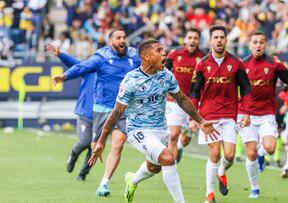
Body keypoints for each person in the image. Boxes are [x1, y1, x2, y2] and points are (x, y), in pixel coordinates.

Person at [88, 39, 219, 203]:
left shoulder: (166, 75)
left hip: (160, 129)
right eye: (159, 51)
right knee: (168, 158)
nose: (164, 53)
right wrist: (101, 142)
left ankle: (132, 180)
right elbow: (115, 113)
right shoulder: (131, 81)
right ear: (147, 57)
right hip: (138, 130)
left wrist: (200, 120)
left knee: (154, 168)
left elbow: (182, 99)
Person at [52, 28, 141, 197]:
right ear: (110, 42)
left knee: (118, 144)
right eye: (118, 37)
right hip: (101, 109)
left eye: (124, 37)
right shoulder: (100, 58)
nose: (122, 40)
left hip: (123, 108)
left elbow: (149, 66)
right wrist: (64, 76)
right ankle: (75, 157)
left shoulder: (134, 56)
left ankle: (101, 182)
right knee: (93, 146)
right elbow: (79, 66)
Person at [238, 32, 288, 198]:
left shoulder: (274, 64)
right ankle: (254, 187)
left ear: (266, 45)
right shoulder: (242, 65)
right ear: (249, 45)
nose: (258, 45)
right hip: (246, 114)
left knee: (270, 149)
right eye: (255, 42)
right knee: (249, 153)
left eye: (261, 42)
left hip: (266, 114)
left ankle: (261, 154)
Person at [190, 25, 252, 203]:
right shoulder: (201, 64)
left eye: (221, 37)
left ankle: (222, 172)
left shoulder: (237, 63)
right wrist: (193, 117)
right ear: (210, 41)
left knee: (230, 155)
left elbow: (246, 89)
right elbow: (194, 92)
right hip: (208, 115)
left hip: (229, 115)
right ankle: (209, 194)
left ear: (226, 40)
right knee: (215, 153)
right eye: (215, 37)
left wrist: (246, 112)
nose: (218, 40)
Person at [47, 44, 94, 181]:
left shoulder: (111, 74)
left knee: (95, 147)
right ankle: (74, 154)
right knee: (85, 141)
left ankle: (83, 174)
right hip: (85, 113)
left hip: (102, 115)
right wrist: (60, 54)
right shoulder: (89, 69)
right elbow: (74, 64)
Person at [164, 28, 205, 163]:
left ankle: (180, 147)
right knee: (173, 135)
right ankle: (171, 169)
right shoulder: (174, 54)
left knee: (186, 138)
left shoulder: (203, 58)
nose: (192, 40)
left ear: (199, 41)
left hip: (192, 103)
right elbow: (162, 72)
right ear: (185, 39)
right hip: (173, 101)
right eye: (190, 37)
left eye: (195, 38)